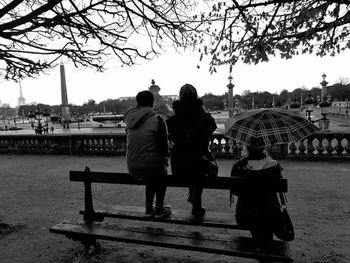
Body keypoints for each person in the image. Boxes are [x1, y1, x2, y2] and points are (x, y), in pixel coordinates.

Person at [166, 84, 217, 217]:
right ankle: (196, 202)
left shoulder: (172, 121)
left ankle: (193, 196)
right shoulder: (204, 117)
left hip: (179, 162)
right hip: (198, 161)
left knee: (191, 163)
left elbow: (172, 135)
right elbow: (212, 127)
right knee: (199, 167)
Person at [124, 90, 171, 218]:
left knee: (151, 169)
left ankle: (149, 207)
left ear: (137, 103)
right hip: (150, 166)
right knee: (160, 172)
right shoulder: (157, 120)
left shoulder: (129, 120)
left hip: (132, 165)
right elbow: (164, 148)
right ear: (152, 102)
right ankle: (160, 208)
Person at [230, 144, 283, 240]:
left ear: (247, 147)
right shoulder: (274, 165)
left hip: (245, 215)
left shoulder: (239, 165)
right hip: (270, 214)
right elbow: (278, 188)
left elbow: (235, 191)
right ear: (263, 147)